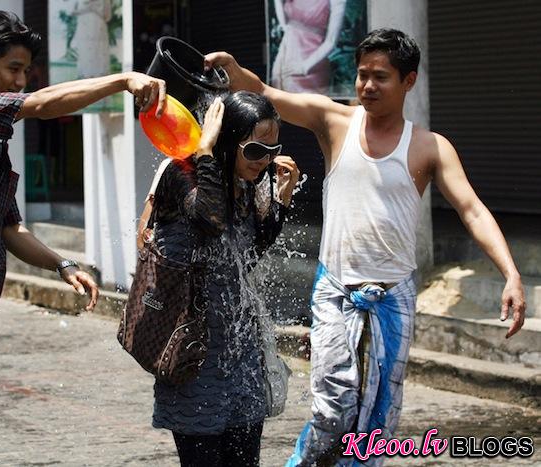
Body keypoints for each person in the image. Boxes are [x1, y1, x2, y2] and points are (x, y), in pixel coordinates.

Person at [205, 28, 526, 466]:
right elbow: (263, 91)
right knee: (332, 409)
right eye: (362, 76)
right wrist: (234, 70)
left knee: (377, 425)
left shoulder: (430, 147)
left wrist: (510, 272)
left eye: (381, 77)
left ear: (408, 81)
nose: (368, 86)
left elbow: (471, 209)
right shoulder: (334, 121)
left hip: (394, 296)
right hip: (335, 289)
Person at [0, 10, 166, 466]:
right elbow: (42, 105)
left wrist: (64, 265)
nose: (21, 81)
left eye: (26, 71)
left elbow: (10, 228)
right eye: (13, 69)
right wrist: (122, 80)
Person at [149, 92, 299, 467]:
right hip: (194, 353)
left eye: (271, 149)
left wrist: (280, 202)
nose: (264, 160)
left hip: (239, 349)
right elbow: (209, 219)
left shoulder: (246, 184)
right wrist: (204, 151)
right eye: (254, 150)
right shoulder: (181, 173)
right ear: (226, 141)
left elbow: (245, 257)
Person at [270, 0, 346, 94]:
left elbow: (331, 41)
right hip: (285, 56)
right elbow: (285, 25)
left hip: (311, 64)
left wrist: (304, 67)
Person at [71, 0, 112, 78]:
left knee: (98, 50)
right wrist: (88, 9)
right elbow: (73, 12)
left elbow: (107, 16)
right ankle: (87, 74)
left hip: (98, 28)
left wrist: (94, 9)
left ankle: (98, 75)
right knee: (86, 50)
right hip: (84, 28)